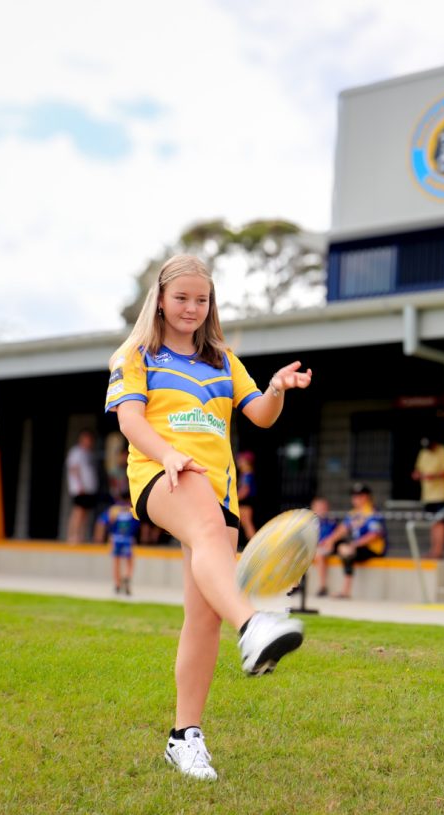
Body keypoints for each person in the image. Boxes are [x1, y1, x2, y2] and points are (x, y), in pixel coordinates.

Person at [105, 253, 313, 781]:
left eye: (202, 299)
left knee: (202, 616)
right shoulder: (136, 354)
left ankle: (184, 737)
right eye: (182, 297)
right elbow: (130, 420)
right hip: (163, 476)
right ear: (161, 298)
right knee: (204, 538)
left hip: (218, 490)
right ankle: (254, 624)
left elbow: (261, 417)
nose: (192, 307)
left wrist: (276, 390)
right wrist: (170, 455)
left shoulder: (223, 359)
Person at [317, 483, 386, 599]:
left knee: (347, 551)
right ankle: (323, 587)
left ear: (366, 497)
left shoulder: (373, 512)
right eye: (354, 496)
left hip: (372, 549)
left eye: (358, 496)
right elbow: (342, 529)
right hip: (356, 546)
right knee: (329, 549)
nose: (355, 499)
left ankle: (345, 592)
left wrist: (354, 544)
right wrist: (329, 540)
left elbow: (374, 535)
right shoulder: (353, 514)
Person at [412, 436, 444, 558]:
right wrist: (417, 474)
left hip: (440, 495)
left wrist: (434, 476)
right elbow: (418, 469)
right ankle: (433, 551)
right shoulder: (424, 452)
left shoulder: (443, 451)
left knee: (440, 523)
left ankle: (439, 552)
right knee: (432, 523)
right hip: (427, 495)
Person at [95, 492, 140, 595]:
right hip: (128, 539)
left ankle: (117, 584)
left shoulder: (113, 510)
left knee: (116, 562)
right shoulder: (132, 510)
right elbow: (137, 524)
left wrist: (99, 539)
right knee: (130, 561)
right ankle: (127, 576)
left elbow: (101, 522)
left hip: (115, 539)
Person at [65, 430, 99, 543]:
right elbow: (74, 469)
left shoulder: (89, 453)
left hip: (89, 489)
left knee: (85, 514)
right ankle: (72, 537)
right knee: (78, 513)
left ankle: (81, 537)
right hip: (80, 489)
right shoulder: (76, 452)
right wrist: (79, 485)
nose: (89, 441)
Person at [309, 495, 338, 596]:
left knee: (319, 554)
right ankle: (295, 585)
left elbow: (329, 540)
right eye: (318, 507)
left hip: (324, 548)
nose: (321, 510)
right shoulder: (308, 522)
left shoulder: (331, 522)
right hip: (311, 548)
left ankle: (322, 586)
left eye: (323, 508)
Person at [236, 451, 257, 541]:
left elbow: (245, 490)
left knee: (247, 525)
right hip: (245, 502)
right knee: (245, 525)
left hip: (245, 503)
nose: (239, 463)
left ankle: (256, 545)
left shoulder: (247, 474)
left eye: (241, 461)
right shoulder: (245, 474)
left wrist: (234, 499)